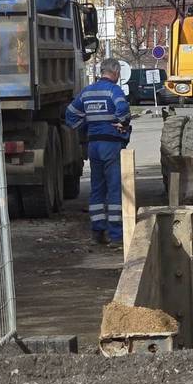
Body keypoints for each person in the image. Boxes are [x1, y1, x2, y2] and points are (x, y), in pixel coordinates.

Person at [66, 59, 132, 246]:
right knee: (114, 188)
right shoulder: (114, 90)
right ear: (116, 73)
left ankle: (97, 232)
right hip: (110, 145)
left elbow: (70, 114)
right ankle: (117, 236)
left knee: (97, 188)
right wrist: (122, 123)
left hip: (93, 145)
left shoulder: (87, 91)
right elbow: (123, 110)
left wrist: (85, 125)